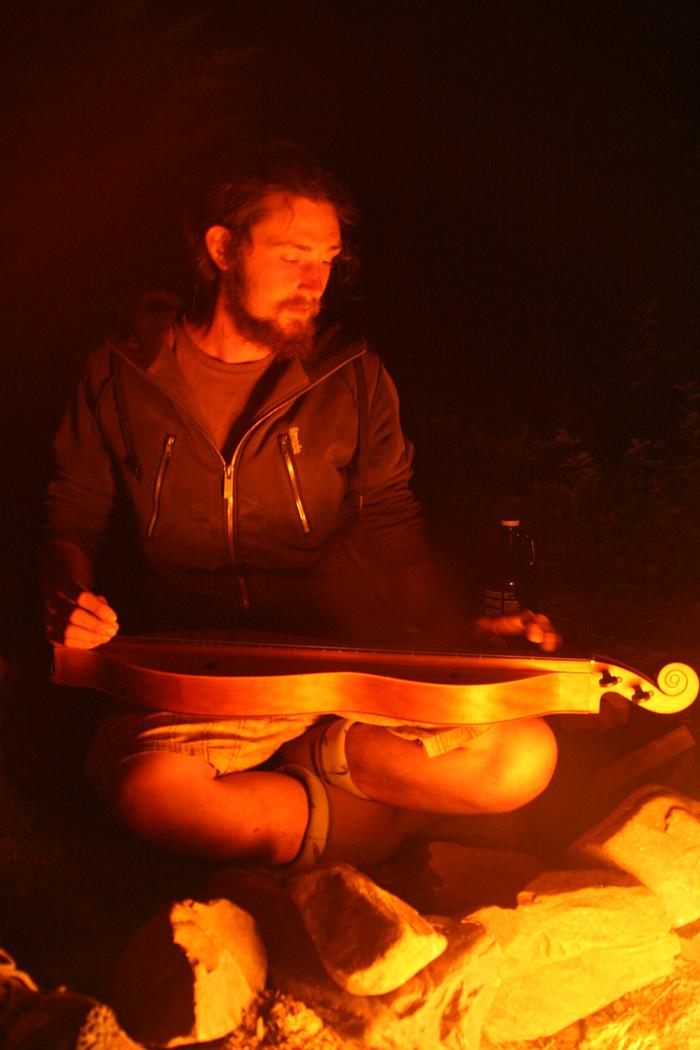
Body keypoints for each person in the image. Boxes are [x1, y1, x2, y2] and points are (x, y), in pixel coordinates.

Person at [42, 143, 559, 869]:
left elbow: (392, 523)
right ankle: (368, 828)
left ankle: (312, 776)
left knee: (521, 757)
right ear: (222, 248)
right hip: (198, 676)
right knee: (153, 793)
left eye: (328, 260)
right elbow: (73, 513)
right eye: (292, 255)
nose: (315, 281)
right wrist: (70, 595)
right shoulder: (120, 371)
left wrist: (457, 629)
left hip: (344, 666)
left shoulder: (349, 376)